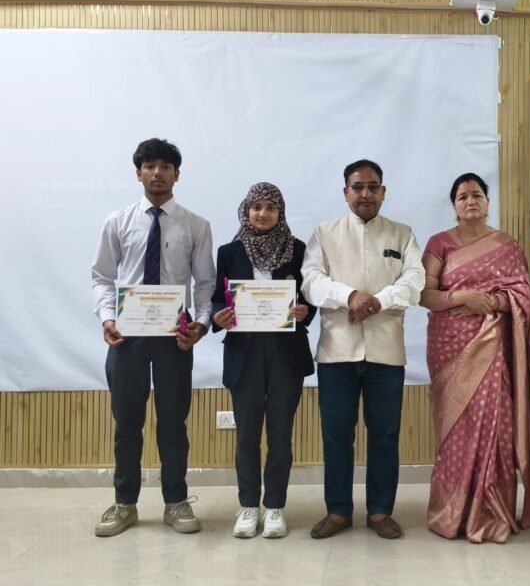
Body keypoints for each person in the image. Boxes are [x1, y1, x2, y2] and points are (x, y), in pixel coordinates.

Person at [91, 138, 215, 536]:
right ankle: (124, 503)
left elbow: (205, 282)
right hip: (126, 337)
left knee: (173, 423)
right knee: (127, 423)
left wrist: (201, 323)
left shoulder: (196, 225)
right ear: (138, 173)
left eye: (165, 166)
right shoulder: (117, 222)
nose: (157, 173)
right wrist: (108, 318)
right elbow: (102, 277)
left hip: (174, 337)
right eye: (149, 166)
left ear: (177, 174)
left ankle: (176, 502)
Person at [420, 173, 530, 543]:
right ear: (454, 206)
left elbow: (524, 296)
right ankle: (453, 511)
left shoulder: (506, 244)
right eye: (462, 196)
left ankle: (492, 510)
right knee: (456, 428)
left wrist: (491, 302)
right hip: (449, 347)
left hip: (494, 347)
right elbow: (424, 294)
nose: (470, 201)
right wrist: (461, 298)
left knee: (496, 425)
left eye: (477, 194)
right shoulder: (439, 243)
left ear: (488, 202)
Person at [300, 159, 425, 540]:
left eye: (373, 187)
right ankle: (338, 511)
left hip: (386, 353)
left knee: (385, 436)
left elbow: (415, 281)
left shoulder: (402, 234)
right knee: (337, 435)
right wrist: (349, 295)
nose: (365, 194)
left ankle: (380, 511)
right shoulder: (325, 233)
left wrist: (378, 301)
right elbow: (311, 281)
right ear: (346, 193)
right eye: (358, 187)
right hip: (337, 352)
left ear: (383, 192)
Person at [210, 183, 316, 539]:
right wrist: (218, 315)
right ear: (246, 210)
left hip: (286, 353)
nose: (263, 213)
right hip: (245, 353)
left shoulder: (297, 249)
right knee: (246, 436)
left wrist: (305, 310)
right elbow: (217, 297)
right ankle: (248, 506)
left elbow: (310, 295)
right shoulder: (229, 251)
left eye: (271, 207)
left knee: (281, 435)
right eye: (256, 207)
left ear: (280, 212)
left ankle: (274, 507)